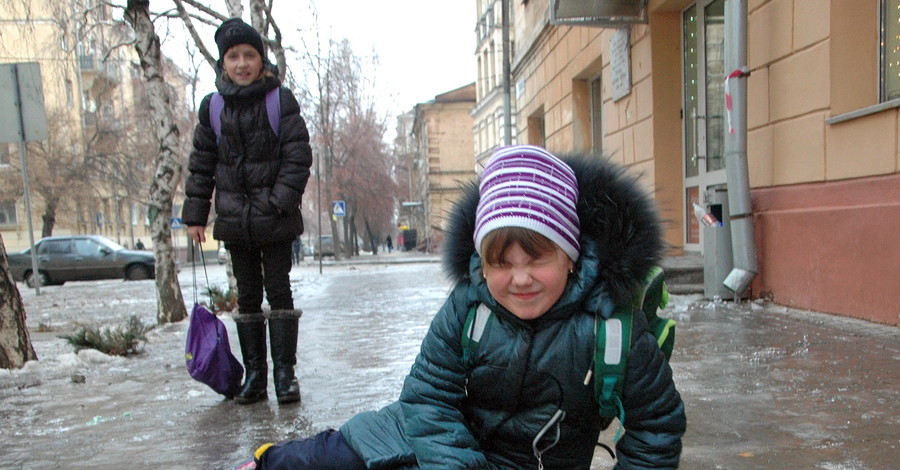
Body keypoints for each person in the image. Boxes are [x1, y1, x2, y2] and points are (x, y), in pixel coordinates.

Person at [240, 145, 685, 469]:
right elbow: (427, 397)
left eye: (537, 258)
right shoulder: (469, 308)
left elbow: (656, 426)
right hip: (438, 445)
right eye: (501, 262)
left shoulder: (610, 328)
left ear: (570, 257)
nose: (520, 278)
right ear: (481, 263)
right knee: (329, 455)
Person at [182, 18, 312, 405]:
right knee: (248, 296)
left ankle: (285, 377)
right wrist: (195, 215)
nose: (242, 63)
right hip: (235, 221)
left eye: (249, 55)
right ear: (223, 63)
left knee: (280, 292)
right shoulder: (213, 107)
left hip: (275, 220)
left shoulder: (279, 101)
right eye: (233, 56)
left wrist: (278, 203)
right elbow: (202, 163)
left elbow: (297, 157)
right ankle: (255, 377)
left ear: (261, 60)